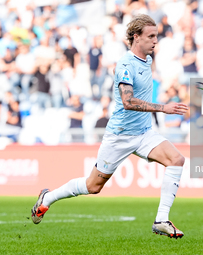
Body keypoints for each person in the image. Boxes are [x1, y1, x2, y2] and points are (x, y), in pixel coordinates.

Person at [31, 14, 188, 239]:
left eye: (156, 36)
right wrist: (163, 108)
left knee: (177, 160)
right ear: (136, 37)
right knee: (93, 186)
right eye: (151, 36)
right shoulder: (125, 64)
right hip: (120, 136)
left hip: (144, 133)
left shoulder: (148, 60)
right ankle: (47, 198)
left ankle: (161, 219)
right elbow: (127, 101)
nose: (155, 41)